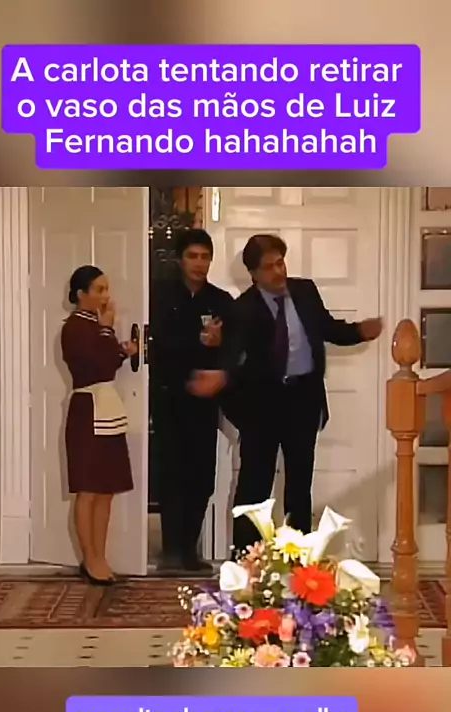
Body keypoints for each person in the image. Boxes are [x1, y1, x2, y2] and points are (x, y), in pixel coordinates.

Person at [222, 234, 383, 555]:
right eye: (268, 267)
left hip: (303, 401)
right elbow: (231, 360)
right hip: (262, 408)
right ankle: (245, 559)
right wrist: (237, 407)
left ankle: (298, 558)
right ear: (253, 274)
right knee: (254, 486)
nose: (278, 272)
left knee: (299, 487)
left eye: (280, 263)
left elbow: (327, 328)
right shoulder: (243, 309)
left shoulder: (305, 291)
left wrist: (358, 331)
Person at [149, 229, 235, 575]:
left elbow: (237, 347)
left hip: (204, 400)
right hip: (169, 395)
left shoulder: (221, 300)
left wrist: (219, 344)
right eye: (192, 256)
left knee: (201, 477)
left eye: (205, 257)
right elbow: (157, 341)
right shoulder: (159, 295)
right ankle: (171, 550)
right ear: (179, 259)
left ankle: (189, 549)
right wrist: (197, 340)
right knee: (172, 474)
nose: (199, 264)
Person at [61, 265, 137, 585]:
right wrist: (107, 332)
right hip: (87, 409)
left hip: (107, 407)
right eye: (99, 290)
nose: (106, 296)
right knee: (89, 488)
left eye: (107, 289)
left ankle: (100, 555)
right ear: (82, 294)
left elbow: (108, 362)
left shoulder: (95, 325)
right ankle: (89, 558)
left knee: (106, 488)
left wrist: (122, 351)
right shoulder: (74, 327)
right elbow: (98, 367)